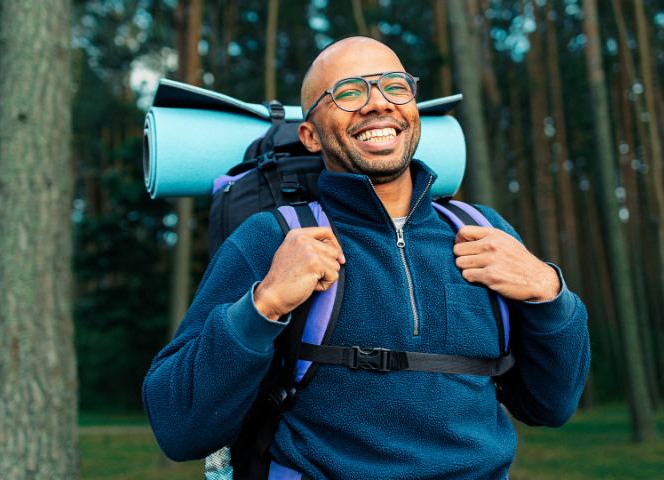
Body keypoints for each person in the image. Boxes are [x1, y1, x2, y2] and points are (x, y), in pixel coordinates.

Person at [143, 36, 590, 480]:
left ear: (414, 109)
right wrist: (264, 306)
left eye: (394, 86)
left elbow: (551, 405)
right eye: (349, 92)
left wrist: (551, 295)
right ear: (310, 136)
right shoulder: (271, 238)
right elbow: (179, 428)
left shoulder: (483, 231)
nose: (378, 103)